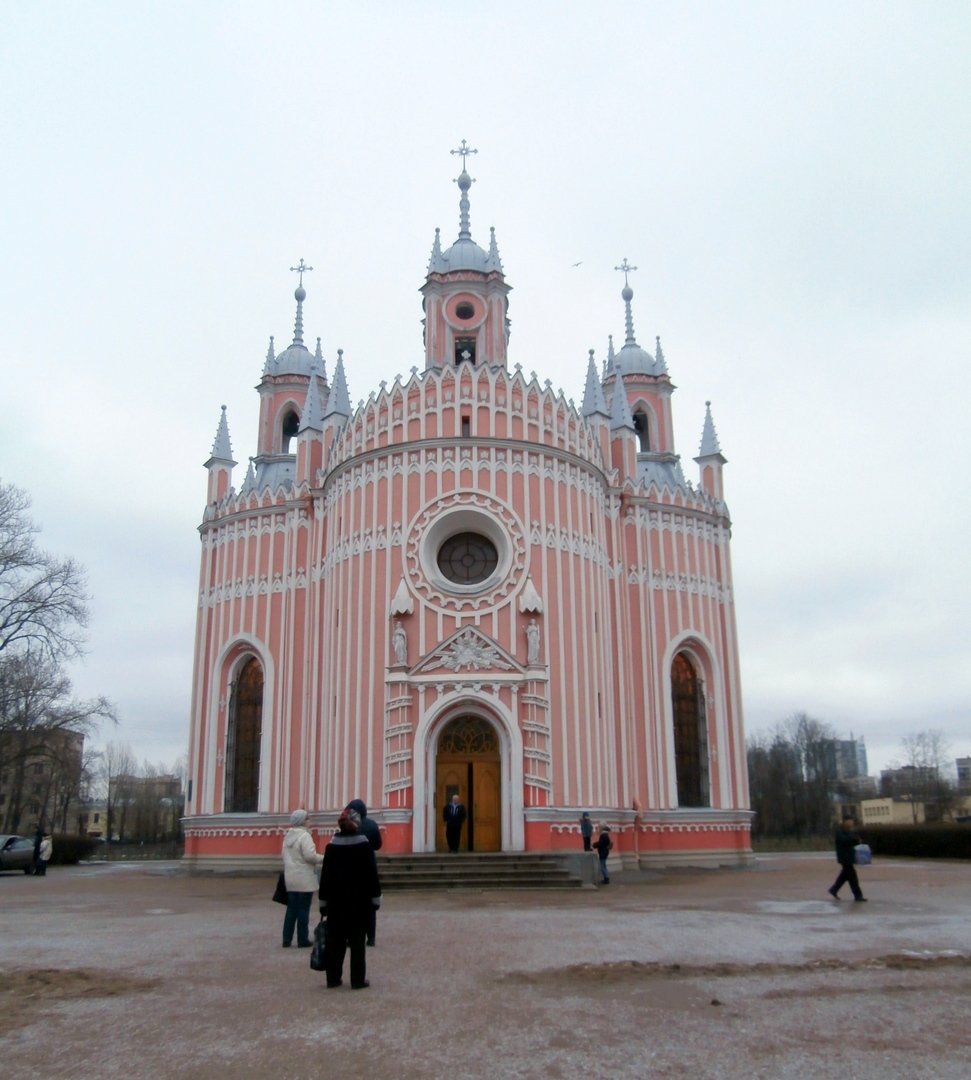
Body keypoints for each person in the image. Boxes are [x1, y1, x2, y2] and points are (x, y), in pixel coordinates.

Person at [319, 808, 382, 989]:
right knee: (357, 944)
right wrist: (375, 899)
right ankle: (357, 980)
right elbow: (372, 875)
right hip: (358, 904)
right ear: (357, 824)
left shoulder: (331, 847)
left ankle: (332, 978)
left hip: (336, 904)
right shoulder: (364, 846)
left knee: (335, 942)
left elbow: (325, 877)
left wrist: (323, 903)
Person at [281, 809, 322, 948]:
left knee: (291, 908)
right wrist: (325, 858)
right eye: (307, 818)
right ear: (303, 821)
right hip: (304, 877)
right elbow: (310, 856)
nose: (310, 820)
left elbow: (284, 855)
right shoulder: (305, 836)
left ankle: (286, 938)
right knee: (304, 909)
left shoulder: (288, 836)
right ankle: (302, 939)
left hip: (291, 876)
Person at [346, 799, 381, 946]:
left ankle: (350, 935)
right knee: (370, 906)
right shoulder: (372, 825)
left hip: (351, 868)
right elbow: (378, 844)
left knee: (351, 905)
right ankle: (371, 937)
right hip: (368, 868)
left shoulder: (349, 825)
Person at [829, 816, 867, 902]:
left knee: (844, 876)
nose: (852, 823)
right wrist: (853, 838)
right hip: (844, 858)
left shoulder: (850, 832)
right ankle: (858, 896)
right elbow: (843, 840)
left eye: (852, 821)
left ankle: (834, 890)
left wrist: (857, 841)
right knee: (853, 877)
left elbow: (852, 842)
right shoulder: (839, 831)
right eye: (850, 821)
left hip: (850, 857)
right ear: (845, 822)